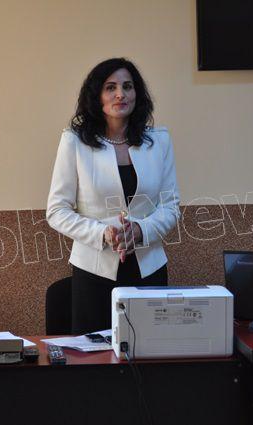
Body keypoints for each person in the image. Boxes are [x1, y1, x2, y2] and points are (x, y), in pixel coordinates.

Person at [47, 58, 180, 334]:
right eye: (111, 87)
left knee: (150, 349)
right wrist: (104, 233)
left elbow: (170, 207)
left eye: (127, 87)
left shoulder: (159, 141)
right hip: (94, 271)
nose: (120, 94)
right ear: (97, 95)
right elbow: (57, 211)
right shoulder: (74, 142)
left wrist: (140, 231)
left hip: (149, 268)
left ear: (137, 94)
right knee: (95, 354)